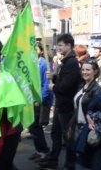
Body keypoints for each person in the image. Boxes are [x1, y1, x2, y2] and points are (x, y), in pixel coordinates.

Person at [38, 34, 81, 170]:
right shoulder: (66, 61)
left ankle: (70, 164)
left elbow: (67, 85)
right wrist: (55, 77)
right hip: (60, 104)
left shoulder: (72, 63)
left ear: (69, 45)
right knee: (55, 133)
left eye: (61, 45)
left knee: (67, 136)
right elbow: (63, 80)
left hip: (66, 105)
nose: (59, 48)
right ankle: (53, 159)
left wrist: (54, 86)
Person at [73, 59, 101, 168]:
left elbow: (100, 113)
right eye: (83, 69)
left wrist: (92, 119)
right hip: (78, 127)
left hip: (87, 130)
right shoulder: (81, 86)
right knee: (78, 160)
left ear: (95, 72)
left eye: (88, 70)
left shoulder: (98, 91)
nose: (84, 72)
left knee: (84, 162)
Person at [28, 43, 53, 162]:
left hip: (40, 101)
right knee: (32, 127)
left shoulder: (44, 64)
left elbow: (47, 84)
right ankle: (38, 150)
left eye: (36, 48)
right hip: (32, 99)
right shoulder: (33, 63)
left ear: (41, 51)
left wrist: (40, 99)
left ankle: (44, 151)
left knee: (36, 127)